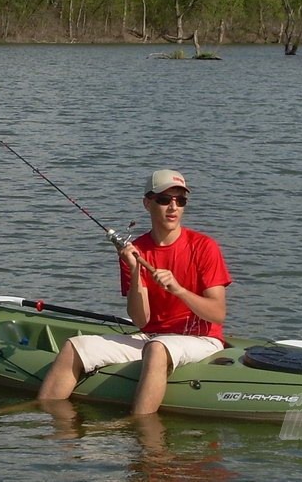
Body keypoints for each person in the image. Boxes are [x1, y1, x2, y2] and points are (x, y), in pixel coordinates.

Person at [38, 169, 232, 415]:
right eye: (164, 200)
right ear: (147, 203)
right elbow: (142, 321)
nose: (173, 207)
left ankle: (142, 436)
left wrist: (179, 290)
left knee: (158, 348)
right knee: (74, 347)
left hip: (201, 339)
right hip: (152, 337)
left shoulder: (204, 247)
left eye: (180, 201)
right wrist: (135, 271)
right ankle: (47, 425)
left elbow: (218, 314)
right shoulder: (135, 251)